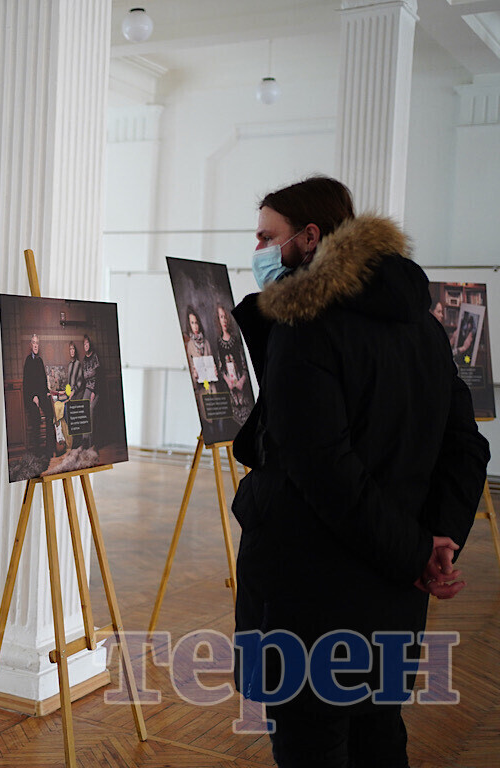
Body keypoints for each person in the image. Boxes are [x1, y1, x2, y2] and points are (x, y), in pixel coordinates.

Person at [231, 175, 489, 767]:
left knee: (311, 743)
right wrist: (438, 540)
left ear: (309, 238)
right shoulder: (424, 326)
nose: (258, 250)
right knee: (379, 735)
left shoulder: (305, 326)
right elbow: (466, 446)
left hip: (312, 595)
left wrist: (417, 552)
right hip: (394, 593)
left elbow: (326, 472)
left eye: (267, 237)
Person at [214, 303, 252, 425]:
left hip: (243, 389)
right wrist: (228, 382)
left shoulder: (236, 340)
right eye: (221, 317)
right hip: (230, 392)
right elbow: (221, 368)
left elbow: (244, 364)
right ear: (218, 320)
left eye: (225, 317)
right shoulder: (219, 343)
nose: (224, 320)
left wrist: (241, 381)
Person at [22, 333, 56, 457]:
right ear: (30, 345)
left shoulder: (40, 360)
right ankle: (37, 451)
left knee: (50, 413)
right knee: (35, 416)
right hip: (31, 396)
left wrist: (46, 392)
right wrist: (33, 396)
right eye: (34, 343)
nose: (36, 345)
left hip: (41, 394)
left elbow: (43, 379)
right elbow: (27, 382)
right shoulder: (28, 361)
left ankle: (49, 449)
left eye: (37, 343)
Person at [58, 340, 86, 448]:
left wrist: (73, 391)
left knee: (77, 418)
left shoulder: (78, 364)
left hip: (78, 393)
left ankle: (79, 442)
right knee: (69, 416)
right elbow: (69, 383)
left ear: (75, 351)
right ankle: (75, 441)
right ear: (69, 352)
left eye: (73, 349)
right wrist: (65, 392)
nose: (72, 351)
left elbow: (80, 381)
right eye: (70, 349)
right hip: (72, 394)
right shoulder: (69, 365)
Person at [81, 334, 101, 448]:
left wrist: (94, 392)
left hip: (96, 388)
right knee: (84, 407)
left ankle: (91, 441)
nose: (86, 345)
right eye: (84, 344)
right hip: (88, 387)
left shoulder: (95, 356)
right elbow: (84, 377)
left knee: (91, 408)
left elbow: (99, 375)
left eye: (87, 343)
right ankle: (85, 439)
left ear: (90, 344)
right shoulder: (84, 359)